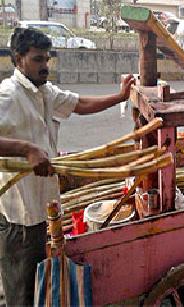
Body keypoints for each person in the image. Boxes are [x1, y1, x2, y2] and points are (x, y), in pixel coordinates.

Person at [0, 28, 135, 306]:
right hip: (20, 215)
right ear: (18, 59)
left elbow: (81, 104)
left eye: (47, 59)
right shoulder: (9, 95)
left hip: (43, 206)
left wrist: (120, 97)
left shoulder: (44, 91)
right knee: (21, 291)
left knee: (39, 284)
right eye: (38, 59)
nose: (44, 66)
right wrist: (26, 149)